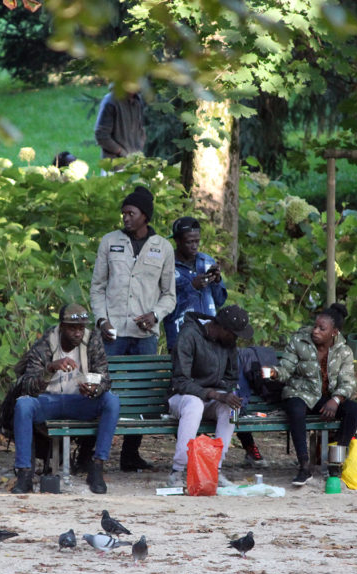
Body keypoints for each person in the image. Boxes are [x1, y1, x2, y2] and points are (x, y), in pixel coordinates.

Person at [163, 216, 267, 468]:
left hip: (213, 328)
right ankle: (182, 467)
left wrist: (217, 283)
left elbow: (220, 300)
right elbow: (162, 300)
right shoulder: (168, 265)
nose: (194, 246)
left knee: (229, 406)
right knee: (193, 402)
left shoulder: (206, 261)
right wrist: (190, 285)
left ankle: (214, 467)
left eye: (197, 241)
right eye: (189, 241)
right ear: (177, 241)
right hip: (183, 331)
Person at [89, 185, 175, 471]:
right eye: (123, 213)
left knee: (141, 392)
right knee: (102, 388)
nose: (125, 218)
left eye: (131, 213)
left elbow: (170, 295)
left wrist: (155, 314)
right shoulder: (109, 242)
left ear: (145, 216)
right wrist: (102, 320)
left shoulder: (163, 247)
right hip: (112, 333)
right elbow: (97, 287)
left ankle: (130, 454)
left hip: (144, 335)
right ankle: (88, 453)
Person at [10, 303, 119, 495]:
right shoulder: (46, 343)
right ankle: (25, 473)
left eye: (81, 328)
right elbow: (28, 386)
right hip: (48, 401)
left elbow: (105, 379)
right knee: (23, 404)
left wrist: (94, 389)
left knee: (111, 401)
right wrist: (51, 368)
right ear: (62, 327)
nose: (78, 333)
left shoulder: (92, 340)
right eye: (72, 328)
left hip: (79, 401)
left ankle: (96, 466)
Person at [165, 305, 253, 488]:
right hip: (182, 398)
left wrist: (227, 393)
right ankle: (178, 471)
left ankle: (215, 469)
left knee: (232, 410)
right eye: (234, 334)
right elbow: (180, 381)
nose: (236, 338)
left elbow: (231, 377)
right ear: (222, 328)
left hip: (213, 399)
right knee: (195, 404)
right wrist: (212, 393)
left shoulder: (228, 343)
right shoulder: (189, 335)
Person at [274, 303, 357, 486]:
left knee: (353, 409)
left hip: (327, 397)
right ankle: (304, 466)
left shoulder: (344, 351)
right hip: (302, 393)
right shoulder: (300, 341)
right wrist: (275, 373)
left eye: (322, 329)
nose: (315, 331)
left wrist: (336, 400)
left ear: (334, 332)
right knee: (295, 407)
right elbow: (286, 368)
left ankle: (336, 462)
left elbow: (348, 382)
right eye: (315, 326)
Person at [94, 85, 146, 165]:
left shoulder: (138, 100)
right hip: (115, 166)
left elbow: (141, 129)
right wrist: (122, 153)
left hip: (135, 164)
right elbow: (102, 136)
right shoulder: (110, 101)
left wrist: (139, 149)